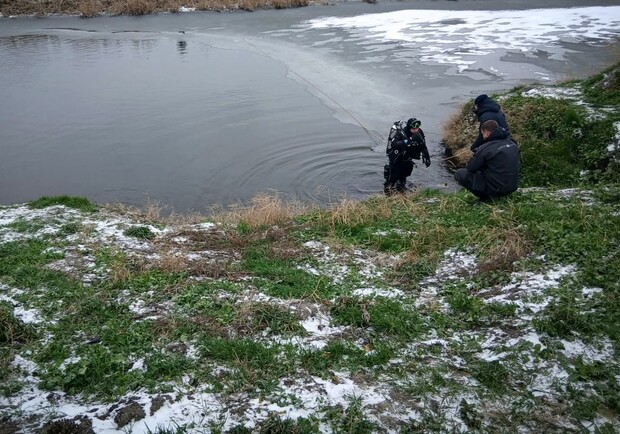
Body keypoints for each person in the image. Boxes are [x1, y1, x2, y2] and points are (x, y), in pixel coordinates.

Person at [454, 119, 520, 200]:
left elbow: (471, 168)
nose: (483, 136)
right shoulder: (512, 143)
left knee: (460, 174)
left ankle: (485, 198)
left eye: (482, 134)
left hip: (497, 190)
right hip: (512, 186)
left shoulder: (486, 148)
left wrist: (476, 155)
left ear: (487, 133)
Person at [384, 117, 431, 195]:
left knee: (405, 175)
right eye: (413, 129)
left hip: (407, 158)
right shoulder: (401, 133)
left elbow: (423, 145)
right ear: (409, 127)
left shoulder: (419, 132)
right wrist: (410, 139)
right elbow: (394, 144)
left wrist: (427, 157)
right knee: (392, 178)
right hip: (397, 158)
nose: (416, 130)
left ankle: (401, 190)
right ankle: (388, 193)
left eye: (417, 128)